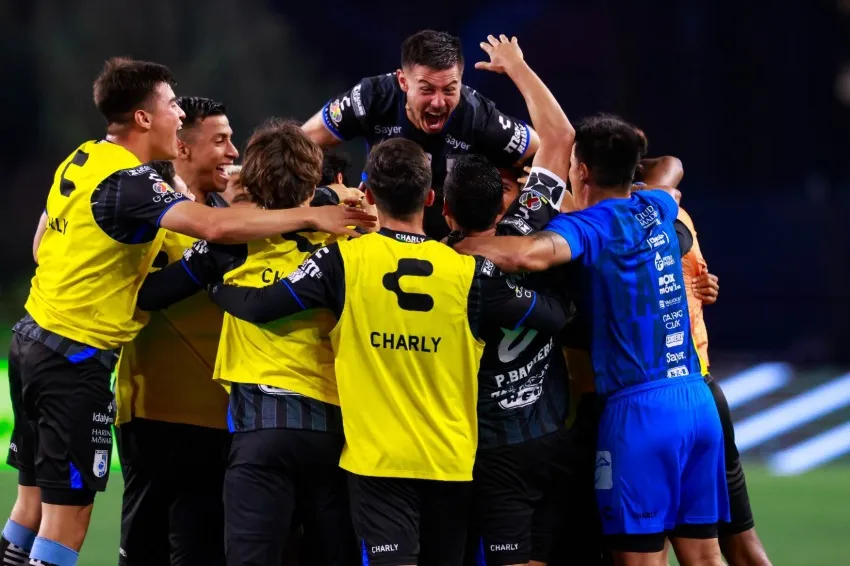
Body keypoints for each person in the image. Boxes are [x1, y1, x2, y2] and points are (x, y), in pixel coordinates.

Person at [2, 57, 374, 566]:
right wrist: (315, 212)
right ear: (144, 119)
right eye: (171, 104)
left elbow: (42, 244)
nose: (178, 113)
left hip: (33, 338)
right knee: (70, 517)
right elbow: (215, 230)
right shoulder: (136, 187)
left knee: (30, 505)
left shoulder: (86, 158)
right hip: (76, 360)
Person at [199, 137, 570, 566]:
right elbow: (553, 317)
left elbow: (262, 306)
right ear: (430, 198)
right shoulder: (469, 271)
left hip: (377, 458)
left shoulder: (345, 259)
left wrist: (216, 285)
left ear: (371, 196)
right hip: (449, 457)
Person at [454, 114, 729, 566]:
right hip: (696, 401)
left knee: (637, 561)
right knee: (705, 557)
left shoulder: (591, 226)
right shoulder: (655, 207)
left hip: (640, 414)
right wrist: (634, 172)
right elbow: (671, 168)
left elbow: (526, 253)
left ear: (580, 171)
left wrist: (453, 250)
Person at [137, 119, 360, 566]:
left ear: (252, 178)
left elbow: (152, 294)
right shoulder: (349, 237)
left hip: (262, 427)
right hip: (339, 432)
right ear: (314, 178)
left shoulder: (232, 244)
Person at [442, 35, 574, 566]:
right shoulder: (530, 224)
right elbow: (559, 137)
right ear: (504, 199)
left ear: (445, 211)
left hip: (489, 444)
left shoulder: (438, 270)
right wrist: (517, 68)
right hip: (548, 433)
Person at [112, 95, 238, 566]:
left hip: (220, 413)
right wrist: (207, 260)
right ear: (183, 149)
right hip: (155, 410)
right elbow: (138, 294)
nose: (232, 152)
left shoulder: (228, 213)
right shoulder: (148, 208)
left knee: (203, 551)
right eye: (221, 141)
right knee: (145, 549)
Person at [302, 29, 539, 240]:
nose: (438, 102)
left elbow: (538, 149)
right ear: (403, 81)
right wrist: (323, 196)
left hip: (449, 237)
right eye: (426, 89)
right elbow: (299, 143)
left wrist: (526, 188)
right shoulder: (371, 98)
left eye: (449, 90)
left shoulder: (477, 115)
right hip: (377, 224)